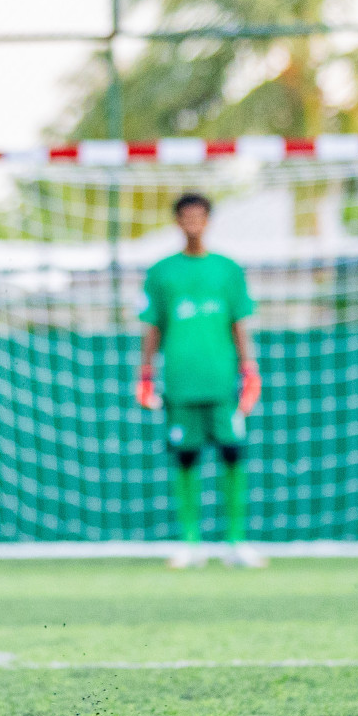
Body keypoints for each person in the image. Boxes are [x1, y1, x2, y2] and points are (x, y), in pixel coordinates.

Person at [137, 193, 263, 570]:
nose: (193, 223)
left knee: (232, 453)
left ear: (208, 221)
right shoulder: (161, 272)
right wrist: (145, 375)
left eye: (199, 216)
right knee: (186, 457)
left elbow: (240, 322)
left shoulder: (228, 270)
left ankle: (235, 542)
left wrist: (250, 369)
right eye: (186, 217)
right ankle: (191, 542)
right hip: (180, 381)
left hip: (222, 380)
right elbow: (152, 325)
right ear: (177, 222)